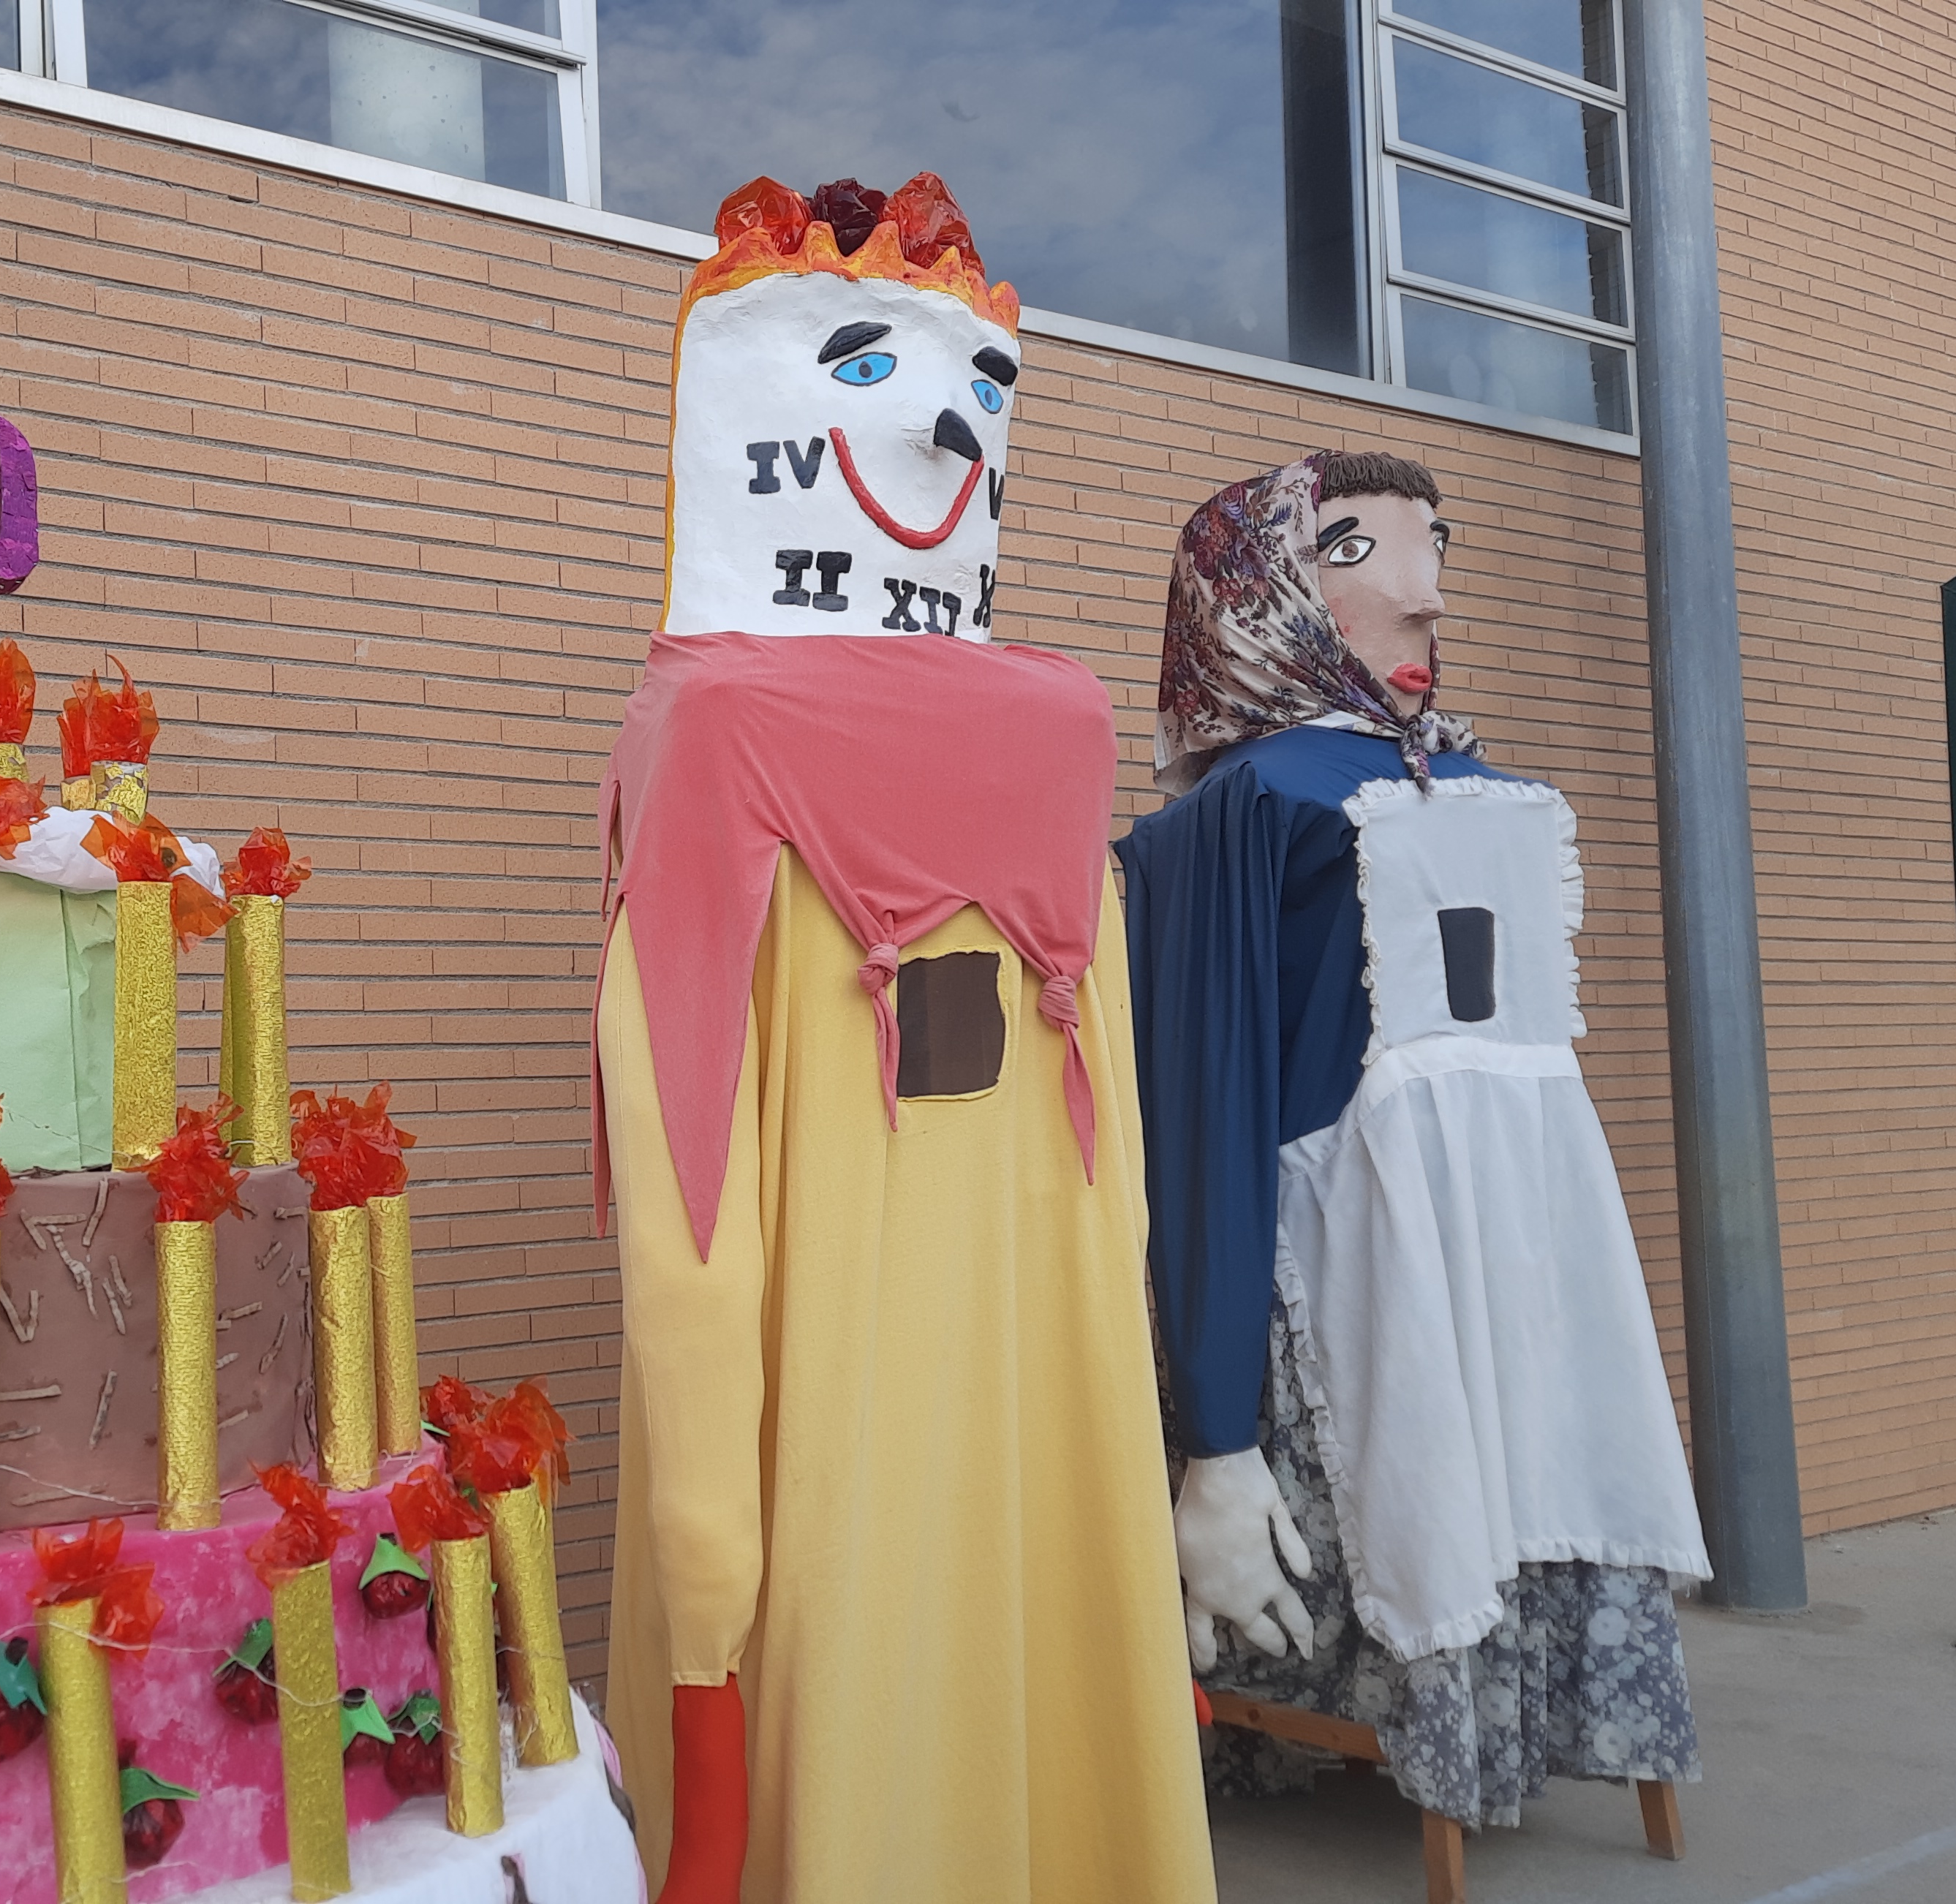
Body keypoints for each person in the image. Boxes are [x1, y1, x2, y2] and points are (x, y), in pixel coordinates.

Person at [597, 173, 1218, 1904]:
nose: (948, 421)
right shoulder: (720, 719)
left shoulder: (1041, 725)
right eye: (861, 368)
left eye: (975, 389)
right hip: (890, 1370)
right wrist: (715, 1586)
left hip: (960, 1356)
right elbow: (695, 1188)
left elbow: (1109, 1162)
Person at [1119, 450, 1710, 1827]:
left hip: (1521, 1246)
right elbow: (1200, 1094)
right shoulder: (1245, 815)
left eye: (1432, 542)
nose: (1424, 592)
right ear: (1253, 593)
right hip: (1354, 1243)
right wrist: (1219, 1415)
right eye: (1354, 549)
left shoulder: (1465, 784)